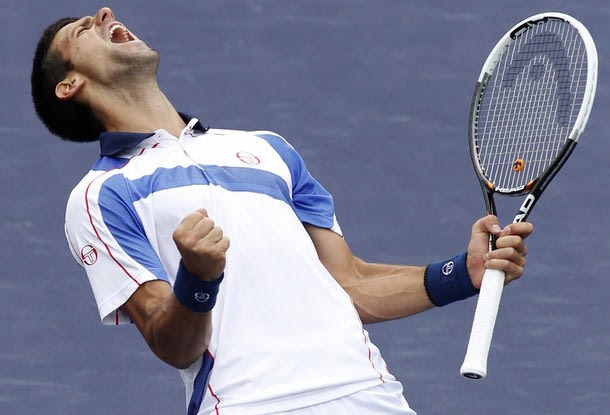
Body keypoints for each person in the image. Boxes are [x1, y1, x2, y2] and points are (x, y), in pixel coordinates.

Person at [31, 7, 532, 415]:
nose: (104, 12)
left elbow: (349, 284)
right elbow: (173, 344)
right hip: (250, 404)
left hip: (369, 393)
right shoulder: (101, 196)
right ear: (69, 84)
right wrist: (198, 278)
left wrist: (462, 273)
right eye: (81, 29)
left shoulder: (268, 149)